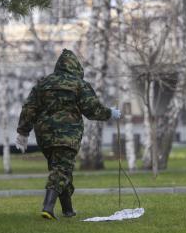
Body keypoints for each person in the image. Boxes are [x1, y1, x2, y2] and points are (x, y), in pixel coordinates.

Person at [15, 49, 121, 220]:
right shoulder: (78, 84)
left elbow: (29, 108)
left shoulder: (43, 83)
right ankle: (47, 208)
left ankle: (68, 210)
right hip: (67, 134)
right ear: (75, 67)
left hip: (45, 135)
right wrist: (110, 113)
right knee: (61, 170)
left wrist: (23, 132)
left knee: (61, 169)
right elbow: (92, 109)